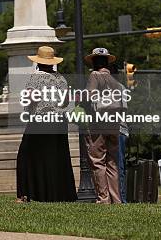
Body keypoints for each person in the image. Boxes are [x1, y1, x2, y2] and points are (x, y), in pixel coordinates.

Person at [16, 46, 76, 202]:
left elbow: (30, 97)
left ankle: (29, 193)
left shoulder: (36, 77)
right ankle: (58, 194)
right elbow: (67, 100)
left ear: (38, 62)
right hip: (59, 121)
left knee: (27, 155)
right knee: (56, 156)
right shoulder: (61, 78)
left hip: (41, 119)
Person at [83, 48, 121, 204]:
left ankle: (103, 198)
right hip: (114, 122)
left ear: (93, 62)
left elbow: (89, 95)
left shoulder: (94, 75)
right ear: (107, 62)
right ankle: (116, 199)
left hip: (99, 122)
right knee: (112, 162)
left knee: (98, 160)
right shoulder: (115, 80)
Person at [109, 64, 129, 203]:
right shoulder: (121, 87)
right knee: (117, 166)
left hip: (117, 130)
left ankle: (121, 198)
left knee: (117, 166)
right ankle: (118, 197)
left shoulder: (119, 88)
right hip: (119, 130)